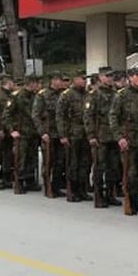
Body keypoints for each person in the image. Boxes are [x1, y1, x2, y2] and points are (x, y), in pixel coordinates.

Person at [110, 67, 138, 214]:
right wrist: (119, 137)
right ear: (131, 77)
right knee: (130, 172)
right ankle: (130, 200)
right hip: (129, 140)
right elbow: (113, 117)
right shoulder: (121, 95)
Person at [85, 66, 122, 208]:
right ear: (100, 77)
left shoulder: (116, 94)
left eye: (111, 76)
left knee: (113, 168)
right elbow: (88, 116)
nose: (110, 78)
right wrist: (91, 135)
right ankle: (99, 195)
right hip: (100, 137)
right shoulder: (94, 95)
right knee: (100, 167)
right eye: (107, 76)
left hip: (113, 136)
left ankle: (110, 194)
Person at [57, 69, 91, 202]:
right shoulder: (67, 95)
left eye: (85, 79)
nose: (84, 81)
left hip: (85, 133)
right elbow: (60, 116)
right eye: (82, 78)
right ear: (75, 79)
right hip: (72, 134)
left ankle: (82, 190)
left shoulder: (88, 94)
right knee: (73, 163)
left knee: (85, 163)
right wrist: (63, 135)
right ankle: (73, 191)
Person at [33, 72, 67, 197]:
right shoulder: (42, 95)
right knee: (48, 162)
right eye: (59, 80)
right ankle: (48, 187)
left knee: (60, 162)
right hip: (48, 133)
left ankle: (56, 186)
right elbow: (36, 115)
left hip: (60, 133)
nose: (61, 82)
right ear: (53, 80)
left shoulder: (63, 94)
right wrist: (42, 132)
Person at [6, 75, 42, 192]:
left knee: (32, 157)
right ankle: (19, 181)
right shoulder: (16, 96)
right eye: (36, 83)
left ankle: (30, 180)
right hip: (21, 132)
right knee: (21, 158)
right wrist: (12, 130)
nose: (37, 85)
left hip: (33, 132)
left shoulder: (36, 96)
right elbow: (7, 115)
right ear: (30, 83)